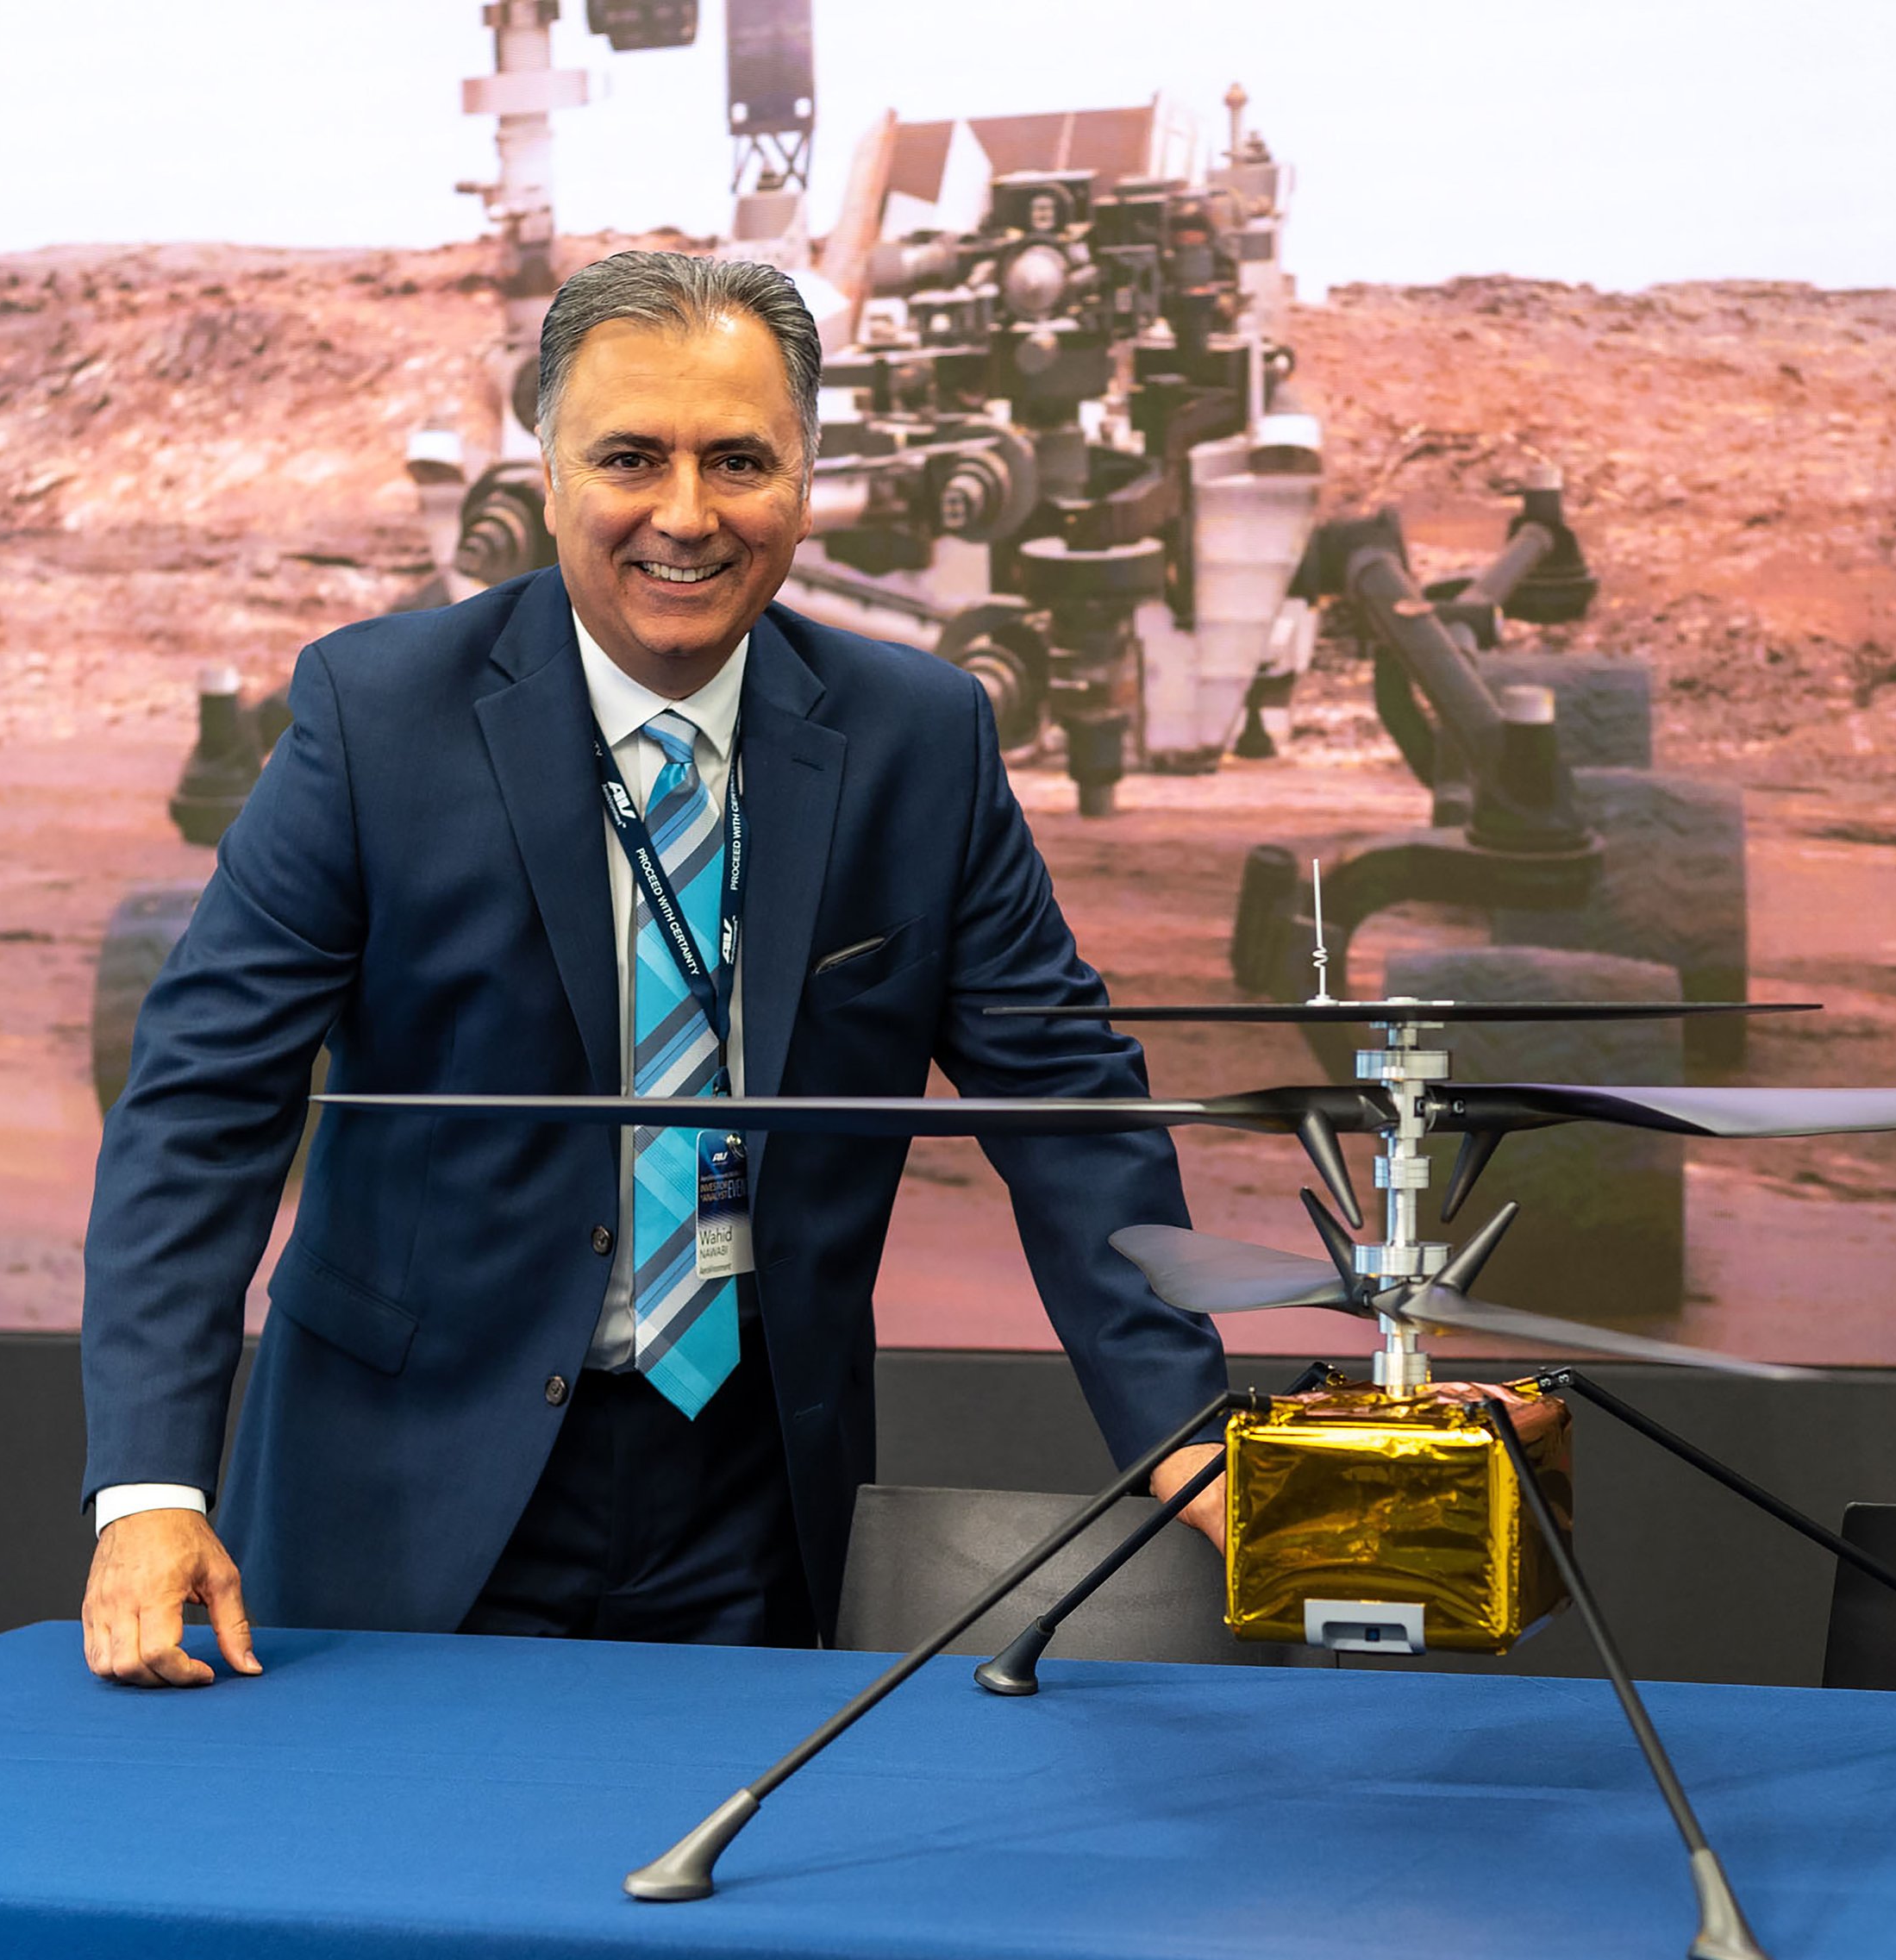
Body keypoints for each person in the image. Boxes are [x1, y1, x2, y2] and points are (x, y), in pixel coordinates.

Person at [77, 251, 1234, 1686]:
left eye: (738, 460)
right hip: (398, 1488)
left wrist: (1197, 1447)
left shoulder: (919, 740)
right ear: (552, 478)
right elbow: (202, 1103)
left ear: (804, 483)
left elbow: (1072, 1114)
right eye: (631, 457)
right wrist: (148, 1491)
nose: (684, 516)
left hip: (748, 1504)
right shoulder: (376, 718)